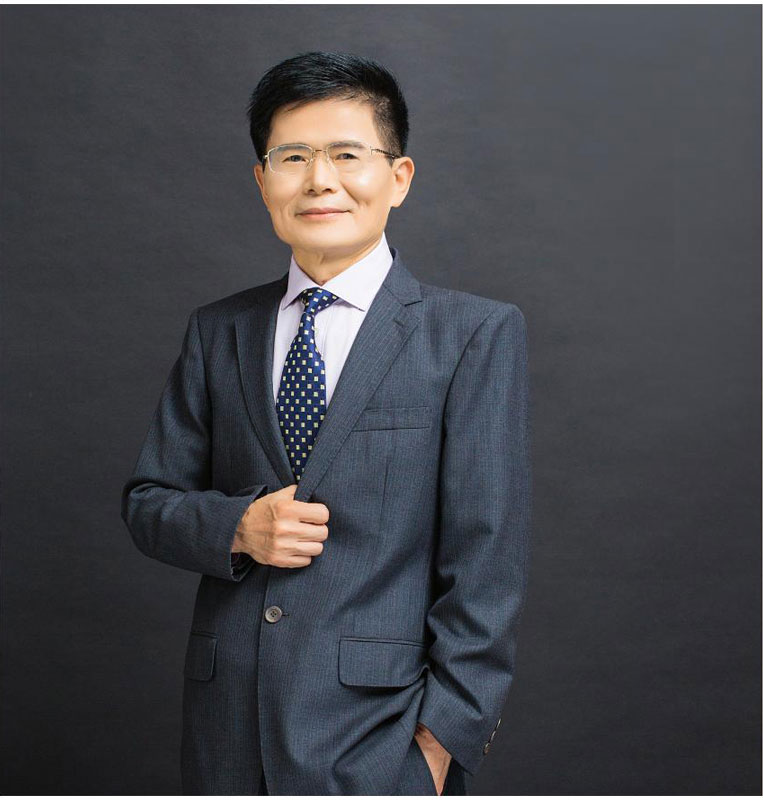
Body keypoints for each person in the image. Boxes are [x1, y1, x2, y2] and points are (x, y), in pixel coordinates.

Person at [120, 50, 531, 796]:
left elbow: (486, 560)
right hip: (226, 732)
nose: (319, 179)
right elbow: (149, 503)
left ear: (397, 177)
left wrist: (441, 745)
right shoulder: (219, 330)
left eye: (346, 154)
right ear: (262, 181)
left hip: (381, 741)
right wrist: (238, 528)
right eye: (292, 157)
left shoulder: (470, 334)